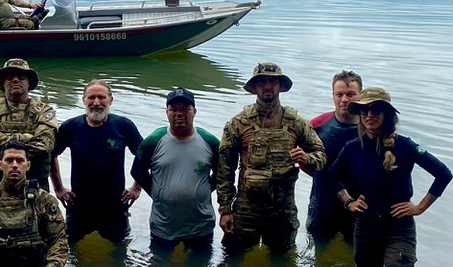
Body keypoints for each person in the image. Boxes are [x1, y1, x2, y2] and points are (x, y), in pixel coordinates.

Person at [331, 87, 451, 267]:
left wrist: (419, 208)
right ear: (359, 113)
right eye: (365, 110)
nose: (370, 115)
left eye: (376, 109)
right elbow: (332, 177)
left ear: (387, 114)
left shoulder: (405, 146)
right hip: (366, 226)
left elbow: (444, 174)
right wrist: (349, 201)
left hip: (399, 227)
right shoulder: (352, 147)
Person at [217, 63, 327, 254]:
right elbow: (224, 169)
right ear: (255, 87)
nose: (267, 86)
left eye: (272, 82)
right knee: (234, 260)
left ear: (280, 85)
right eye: (262, 82)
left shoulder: (296, 123)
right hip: (246, 208)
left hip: (283, 209)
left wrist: (306, 158)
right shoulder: (238, 123)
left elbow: (321, 156)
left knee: (283, 260)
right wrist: (225, 209)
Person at [50, 80, 143, 243]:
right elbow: (51, 155)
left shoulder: (123, 126)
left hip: (114, 203)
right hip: (78, 203)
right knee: (71, 245)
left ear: (110, 100)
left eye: (101, 97)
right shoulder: (70, 127)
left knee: (120, 246)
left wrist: (136, 188)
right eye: (91, 97)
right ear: (84, 100)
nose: (96, 102)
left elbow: (144, 156)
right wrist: (58, 189)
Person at [131, 87, 220, 253]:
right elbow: (137, 172)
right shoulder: (153, 141)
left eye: (185, 109)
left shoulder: (210, 142)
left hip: (201, 225)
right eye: (174, 109)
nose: (179, 113)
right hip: (163, 225)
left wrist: (204, 190)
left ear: (194, 112)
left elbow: (222, 174)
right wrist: (157, 194)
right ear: (167, 112)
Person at [0, 58, 58, 189]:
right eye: (10, 76)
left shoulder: (44, 111)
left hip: (37, 186)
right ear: (3, 82)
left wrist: (4, 145)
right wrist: (26, 137)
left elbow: (44, 145)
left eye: (21, 76)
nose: (15, 80)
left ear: (29, 81)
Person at [306, 70, 363, 242]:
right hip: (323, 202)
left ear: (360, 96)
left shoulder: (371, 126)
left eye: (351, 94)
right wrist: (322, 177)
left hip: (359, 203)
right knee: (319, 250)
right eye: (339, 94)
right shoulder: (317, 125)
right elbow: (305, 161)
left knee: (357, 251)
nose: (344, 99)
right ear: (333, 96)